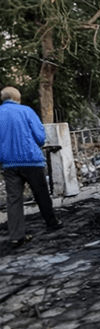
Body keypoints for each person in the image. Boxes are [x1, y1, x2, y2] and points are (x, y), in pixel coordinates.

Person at [0, 86, 63, 248]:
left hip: (9, 163)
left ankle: (16, 236)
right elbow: (40, 137)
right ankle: (52, 223)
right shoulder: (26, 111)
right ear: (17, 98)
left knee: (13, 200)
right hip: (31, 160)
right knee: (41, 193)